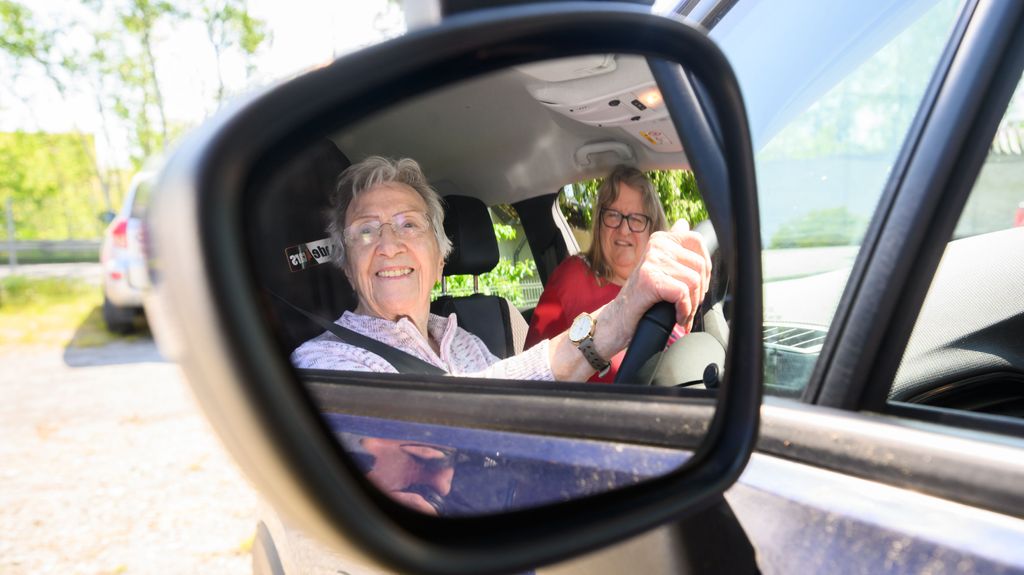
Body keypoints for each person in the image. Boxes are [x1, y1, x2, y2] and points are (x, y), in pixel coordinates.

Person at [291, 156, 710, 384]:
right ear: (347, 266)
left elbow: (521, 400)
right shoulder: (323, 364)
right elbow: (467, 409)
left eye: (408, 225)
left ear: (440, 257)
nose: (388, 245)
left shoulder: (466, 342)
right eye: (366, 231)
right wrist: (619, 317)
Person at [525, 165, 688, 382]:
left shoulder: (667, 286)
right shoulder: (572, 278)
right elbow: (530, 376)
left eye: (637, 219)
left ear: (653, 229)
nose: (624, 229)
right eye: (613, 215)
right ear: (599, 224)